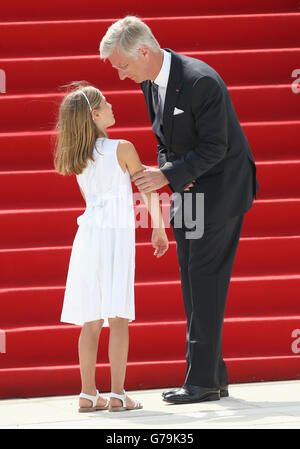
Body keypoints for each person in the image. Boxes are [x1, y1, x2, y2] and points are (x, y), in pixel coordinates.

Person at [99, 16, 260, 404]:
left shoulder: (199, 80)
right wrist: (172, 174)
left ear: (143, 51)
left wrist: (169, 175)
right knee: (193, 281)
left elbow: (216, 146)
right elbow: (165, 139)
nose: (121, 76)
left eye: (122, 65)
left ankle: (202, 381)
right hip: (189, 191)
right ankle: (213, 375)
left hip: (219, 191)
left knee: (204, 281)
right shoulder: (149, 81)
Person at [53, 83, 169, 412]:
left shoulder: (76, 154)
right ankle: (118, 394)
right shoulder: (123, 148)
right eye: (106, 102)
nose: (112, 104)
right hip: (115, 236)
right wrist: (158, 228)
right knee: (118, 317)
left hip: (88, 234)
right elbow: (147, 187)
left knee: (90, 321)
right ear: (95, 115)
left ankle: (87, 393)